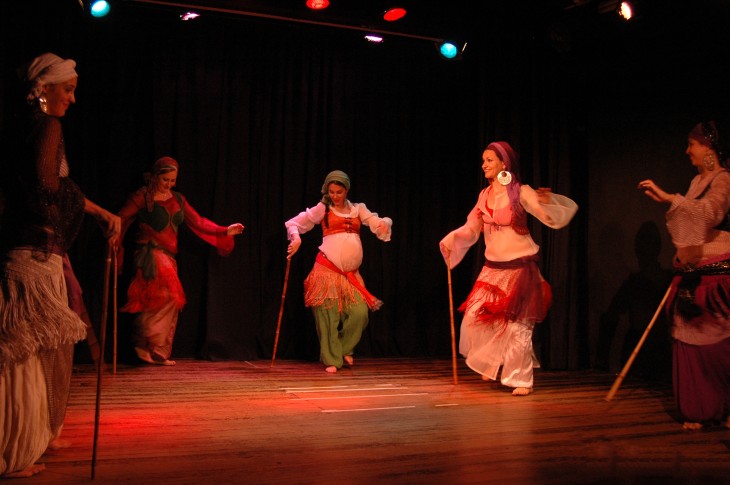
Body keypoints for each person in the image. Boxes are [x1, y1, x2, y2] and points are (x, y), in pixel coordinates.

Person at [0, 52, 120, 478]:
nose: (71, 99)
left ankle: (23, 443)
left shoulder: (20, 127)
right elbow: (46, 186)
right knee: (28, 355)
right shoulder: (49, 125)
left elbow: (56, 186)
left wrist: (99, 212)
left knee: (29, 353)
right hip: (34, 257)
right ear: (44, 88)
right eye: (67, 89)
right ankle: (14, 452)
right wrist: (71, 213)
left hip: (23, 253)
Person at [439, 141, 577, 396]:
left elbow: (547, 216)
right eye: (484, 160)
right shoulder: (484, 195)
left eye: (489, 160)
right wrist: (452, 239)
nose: (484, 165)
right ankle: (493, 361)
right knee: (475, 317)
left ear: (505, 164)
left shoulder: (520, 192)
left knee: (518, 327)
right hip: (493, 268)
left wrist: (544, 202)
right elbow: (471, 229)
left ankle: (521, 379)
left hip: (520, 268)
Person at [638, 121, 730, 430]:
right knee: (689, 339)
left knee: (718, 344)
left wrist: (670, 198)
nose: (687, 150)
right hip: (694, 269)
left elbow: (711, 213)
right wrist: (676, 200)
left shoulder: (724, 181)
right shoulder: (695, 182)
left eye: (692, 144)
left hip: (718, 271)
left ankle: (725, 406)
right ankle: (699, 407)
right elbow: (691, 216)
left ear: (708, 149)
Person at [116, 156, 244, 366]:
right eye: (165, 179)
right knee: (163, 297)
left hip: (168, 257)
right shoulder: (143, 197)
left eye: (173, 180)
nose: (169, 184)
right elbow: (120, 218)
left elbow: (199, 222)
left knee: (169, 302)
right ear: (156, 176)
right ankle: (145, 344)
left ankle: (156, 350)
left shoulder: (177, 199)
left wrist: (224, 230)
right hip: (150, 255)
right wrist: (115, 239)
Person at [285, 170, 392, 373]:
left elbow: (375, 221)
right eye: (331, 191)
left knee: (360, 313)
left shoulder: (358, 209)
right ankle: (332, 359)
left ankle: (343, 349)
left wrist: (383, 224)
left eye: (339, 192)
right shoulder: (323, 209)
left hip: (351, 275)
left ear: (346, 191)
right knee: (328, 316)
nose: (334, 195)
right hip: (326, 270)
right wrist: (296, 239)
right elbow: (294, 223)